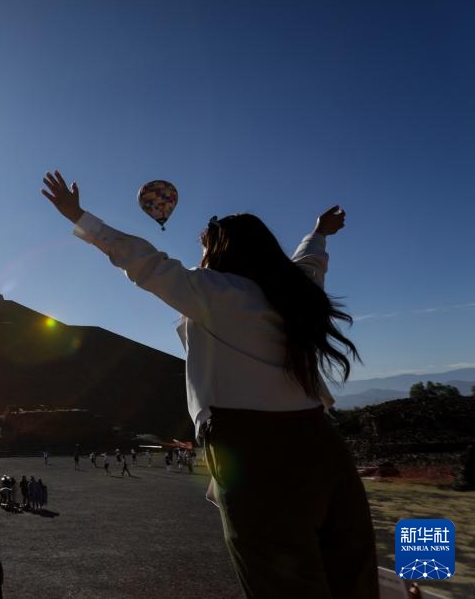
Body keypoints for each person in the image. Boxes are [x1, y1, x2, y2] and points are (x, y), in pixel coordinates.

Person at [42, 170, 377, 598]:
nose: (200, 257)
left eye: (204, 248)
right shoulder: (295, 290)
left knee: (282, 583)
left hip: (252, 453)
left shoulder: (213, 293)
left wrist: (80, 217)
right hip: (321, 442)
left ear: (220, 250)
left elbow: (143, 261)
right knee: (351, 569)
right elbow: (309, 262)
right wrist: (318, 233)